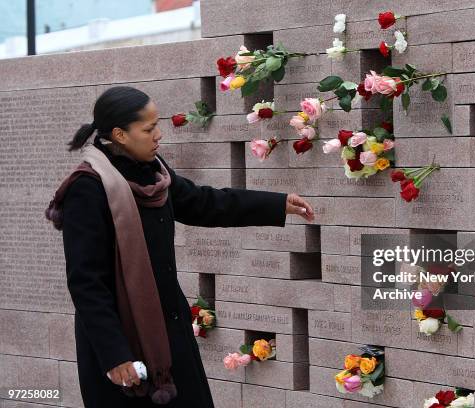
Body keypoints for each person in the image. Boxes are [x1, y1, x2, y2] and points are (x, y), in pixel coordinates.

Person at [45, 86, 314, 407]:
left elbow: (204, 202)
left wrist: (277, 203)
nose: (158, 135)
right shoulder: (88, 190)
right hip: (123, 342)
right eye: (148, 129)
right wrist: (116, 356)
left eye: (157, 125)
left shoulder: (154, 172)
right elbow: (87, 283)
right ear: (119, 134)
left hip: (168, 334)